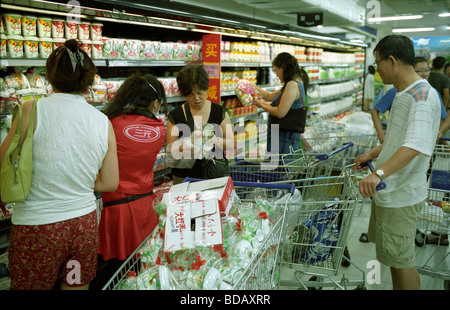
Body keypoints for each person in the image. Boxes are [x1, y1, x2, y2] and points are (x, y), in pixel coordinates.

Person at [0, 39, 119, 290]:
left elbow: (3, 162)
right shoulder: (102, 121)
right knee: (75, 287)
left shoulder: (30, 110)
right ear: (89, 80)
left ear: (49, 75)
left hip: (37, 227)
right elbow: (110, 182)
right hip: (82, 224)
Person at [354, 35, 441, 290]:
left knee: (403, 262)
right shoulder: (404, 93)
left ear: (392, 60)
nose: (377, 68)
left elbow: (415, 145)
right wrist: (374, 152)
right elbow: (403, 138)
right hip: (390, 192)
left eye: (378, 61)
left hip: (402, 194)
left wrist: (378, 173)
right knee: (393, 258)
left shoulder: (422, 97)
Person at [97, 72, 166, 279]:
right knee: (143, 269)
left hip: (115, 208)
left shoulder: (111, 123)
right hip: (146, 206)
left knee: (115, 272)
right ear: (155, 103)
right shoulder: (159, 128)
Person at [166, 64, 233, 184]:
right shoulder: (176, 115)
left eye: (199, 92)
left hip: (214, 177)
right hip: (184, 179)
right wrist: (184, 146)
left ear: (206, 88)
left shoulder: (219, 112)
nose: (196, 98)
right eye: (190, 94)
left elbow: (230, 143)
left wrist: (214, 140)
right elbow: (169, 149)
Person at [371, 57, 448, 144]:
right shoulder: (395, 91)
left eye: (426, 70)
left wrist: (439, 132)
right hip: (397, 142)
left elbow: (442, 117)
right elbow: (375, 111)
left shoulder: (432, 93)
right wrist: (381, 134)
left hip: (422, 145)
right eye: (420, 71)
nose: (425, 74)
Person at [253, 52, 309, 154]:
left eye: (276, 71)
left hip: (285, 137)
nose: (277, 75)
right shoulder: (291, 83)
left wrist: (261, 105)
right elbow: (269, 96)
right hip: (281, 135)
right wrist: (251, 87)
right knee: (277, 167)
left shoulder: (292, 85)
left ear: (283, 67)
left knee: (281, 167)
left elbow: (280, 112)